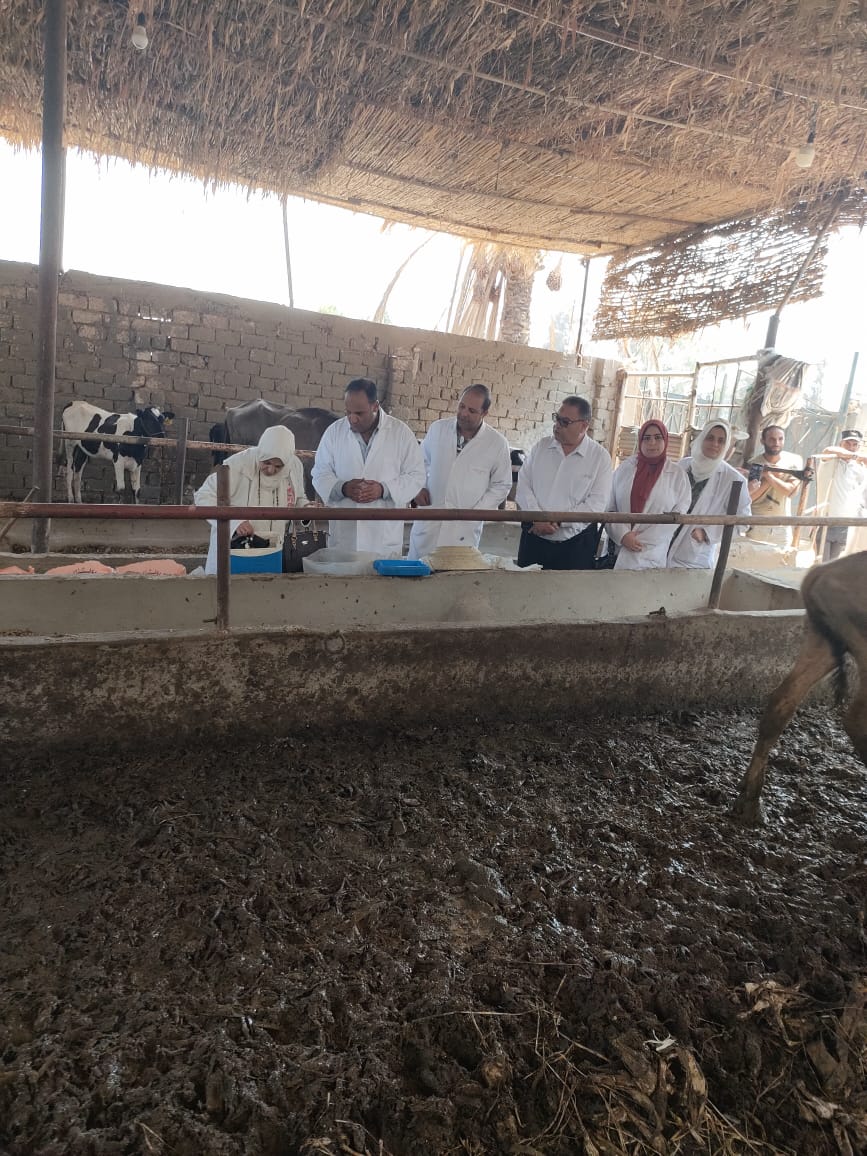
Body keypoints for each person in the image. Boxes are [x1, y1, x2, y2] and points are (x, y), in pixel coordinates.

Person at [311, 378, 426, 557]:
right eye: (348, 412)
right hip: (345, 537)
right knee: (345, 572)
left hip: (383, 538)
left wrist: (383, 489)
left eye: (359, 413)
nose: (352, 419)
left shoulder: (400, 433)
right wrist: (343, 488)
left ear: (375, 406)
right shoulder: (334, 432)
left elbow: (416, 476)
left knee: (380, 574)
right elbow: (320, 473)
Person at [408, 385, 512, 560]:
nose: (464, 413)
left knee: (454, 573)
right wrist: (418, 488)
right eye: (462, 406)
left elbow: (502, 485)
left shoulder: (496, 443)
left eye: (472, 410)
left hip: (463, 531)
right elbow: (419, 462)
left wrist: (476, 512)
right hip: (429, 522)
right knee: (417, 571)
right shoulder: (438, 429)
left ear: (484, 413)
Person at [194, 425, 309, 575]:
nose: (271, 470)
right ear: (261, 453)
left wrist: (307, 508)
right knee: (232, 586)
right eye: (266, 462)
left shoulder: (294, 466)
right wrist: (235, 521)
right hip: (236, 549)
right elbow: (204, 496)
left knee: (267, 586)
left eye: (278, 466)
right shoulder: (237, 465)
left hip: (273, 550)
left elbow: (298, 498)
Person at [515, 396, 613, 570]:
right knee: (525, 586)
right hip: (534, 539)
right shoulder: (541, 447)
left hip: (575, 546)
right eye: (557, 418)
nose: (557, 425)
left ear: (583, 426)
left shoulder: (599, 458)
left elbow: (597, 503)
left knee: (569, 588)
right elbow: (524, 485)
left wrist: (559, 521)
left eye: (565, 422)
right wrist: (537, 517)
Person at [606, 419, 691, 570]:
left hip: (652, 554)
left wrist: (639, 540)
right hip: (619, 550)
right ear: (640, 441)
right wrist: (623, 535)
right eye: (646, 438)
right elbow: (609, 506)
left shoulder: (678, 476)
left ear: (665, 440)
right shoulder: (624, 469)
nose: (652, 443)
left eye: (658, 437)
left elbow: (677, 516)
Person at [668, 419, 752, 568]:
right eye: (710, 438)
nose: (715, 444)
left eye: (721, 441)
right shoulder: (683, 465)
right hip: (666, 543)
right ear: (702, 438)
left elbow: (743, 521)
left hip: (694, 556)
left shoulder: (733, 478)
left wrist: (707, 533)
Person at [745, 425, 803, 546]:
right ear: (763, 441)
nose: (776, 443)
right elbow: (750, 497)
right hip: (757, 524)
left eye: (780, 439)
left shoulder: (793, 462)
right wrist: (770, 477)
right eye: (771, 439)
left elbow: (791, 492)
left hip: (781, 525)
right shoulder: (754, 464)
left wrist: (769, 476)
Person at [816, 429, 867, 562]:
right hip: (827, 520)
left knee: (834, 564)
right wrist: (856, 456)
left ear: (858, 447)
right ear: (840, 444)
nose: (851, 447)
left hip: (846, 523)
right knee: (823, 564)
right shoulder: (831, 460)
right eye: (847, 443)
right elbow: (828, 450)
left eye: (854, 445)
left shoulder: (859, 468)